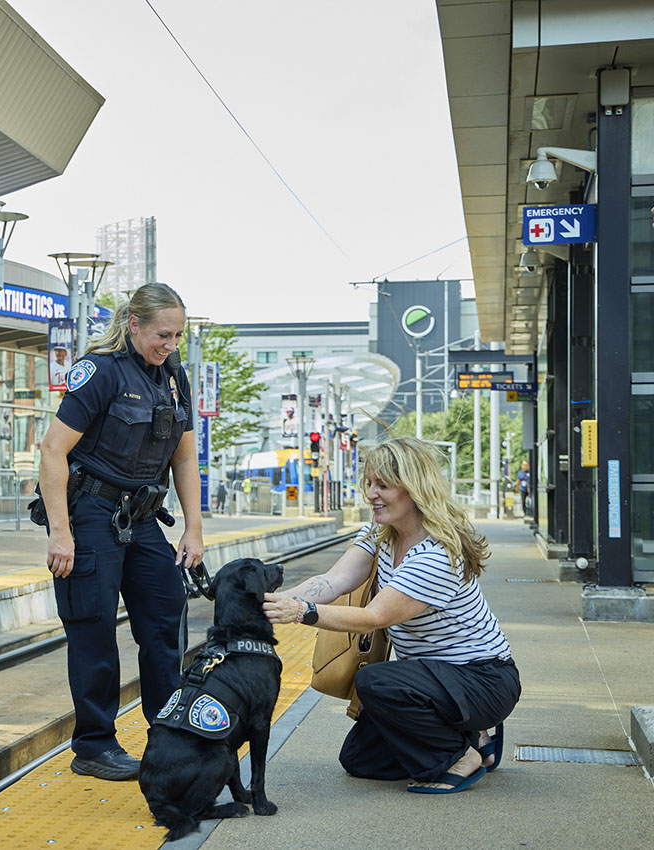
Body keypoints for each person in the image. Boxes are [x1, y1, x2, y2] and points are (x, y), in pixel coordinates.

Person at [263, 435, 520, 794]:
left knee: (376, 683)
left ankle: (462, 757)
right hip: (431, 681)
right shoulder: (380, 533)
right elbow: (334, 580)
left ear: (414, 489)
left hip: (481, 679)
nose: (370, 493)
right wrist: (269, 603)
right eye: (368, 483)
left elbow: (373, 617)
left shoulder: (437, 556)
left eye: (382, 485)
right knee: (359, 760)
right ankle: (474, 737)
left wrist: (301, 613)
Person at [39, 282, 204, 782]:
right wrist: (60, 533)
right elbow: (52, 450)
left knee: (163, 617)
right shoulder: (100, 372)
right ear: (133, 324)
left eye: (177, 336)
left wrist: (194, 528)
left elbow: (185, 456)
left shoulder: (175, 378)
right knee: (93, 629)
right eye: (162, 335)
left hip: (142, 517)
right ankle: (94, 745)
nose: (170, 345)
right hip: (90, 512)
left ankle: (168, 736)